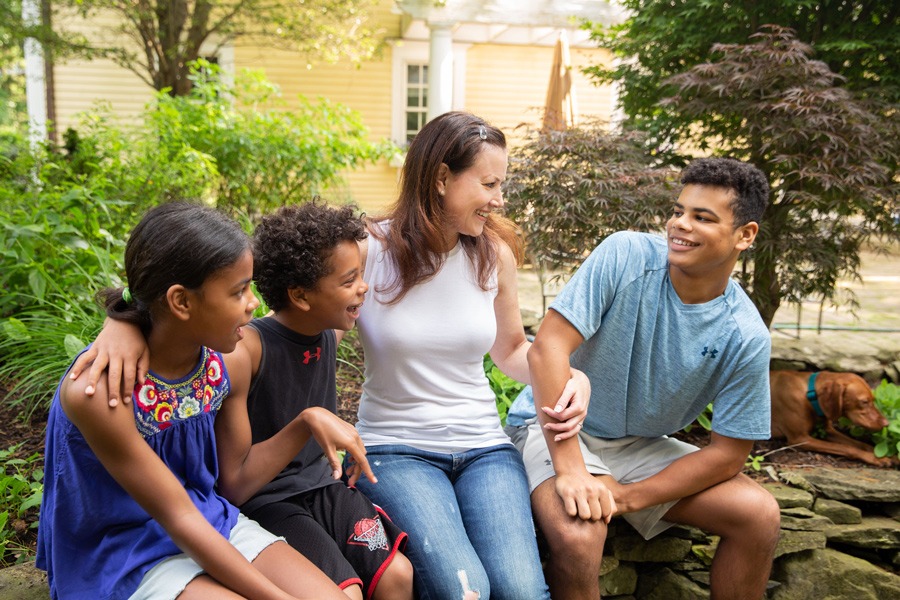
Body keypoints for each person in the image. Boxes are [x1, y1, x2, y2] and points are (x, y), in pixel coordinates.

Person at [70, 203, 414, 600]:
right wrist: (119, 322)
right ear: (181, 302)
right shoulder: (103, 390)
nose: (255, 304)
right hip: (130, 548)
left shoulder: (212, 362)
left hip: (215, 518)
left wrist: (120, 319)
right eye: (239, 291)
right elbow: (185, 514)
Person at [505, 157, 782, 600]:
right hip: (551, 427)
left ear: (744, 236)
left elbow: (728, 456)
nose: (680, 225)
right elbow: (548, 348)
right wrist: (573, 469)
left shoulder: (744, 334)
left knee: (758, 514)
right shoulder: (626, 255)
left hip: (638, 446)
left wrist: (627, 497)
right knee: (580, 534)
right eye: (678, 211)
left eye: (702, 217)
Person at [351, 111, 588, 600]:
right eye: (489, 184)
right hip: (395, 450)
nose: (499, 200)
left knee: (521, 591)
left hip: (484, 448)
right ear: (441, 178)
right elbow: (300, 326)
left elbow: (513, 352)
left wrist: (572, 378)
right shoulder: (367, 249)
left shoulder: (492, 253)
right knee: (464, 592)